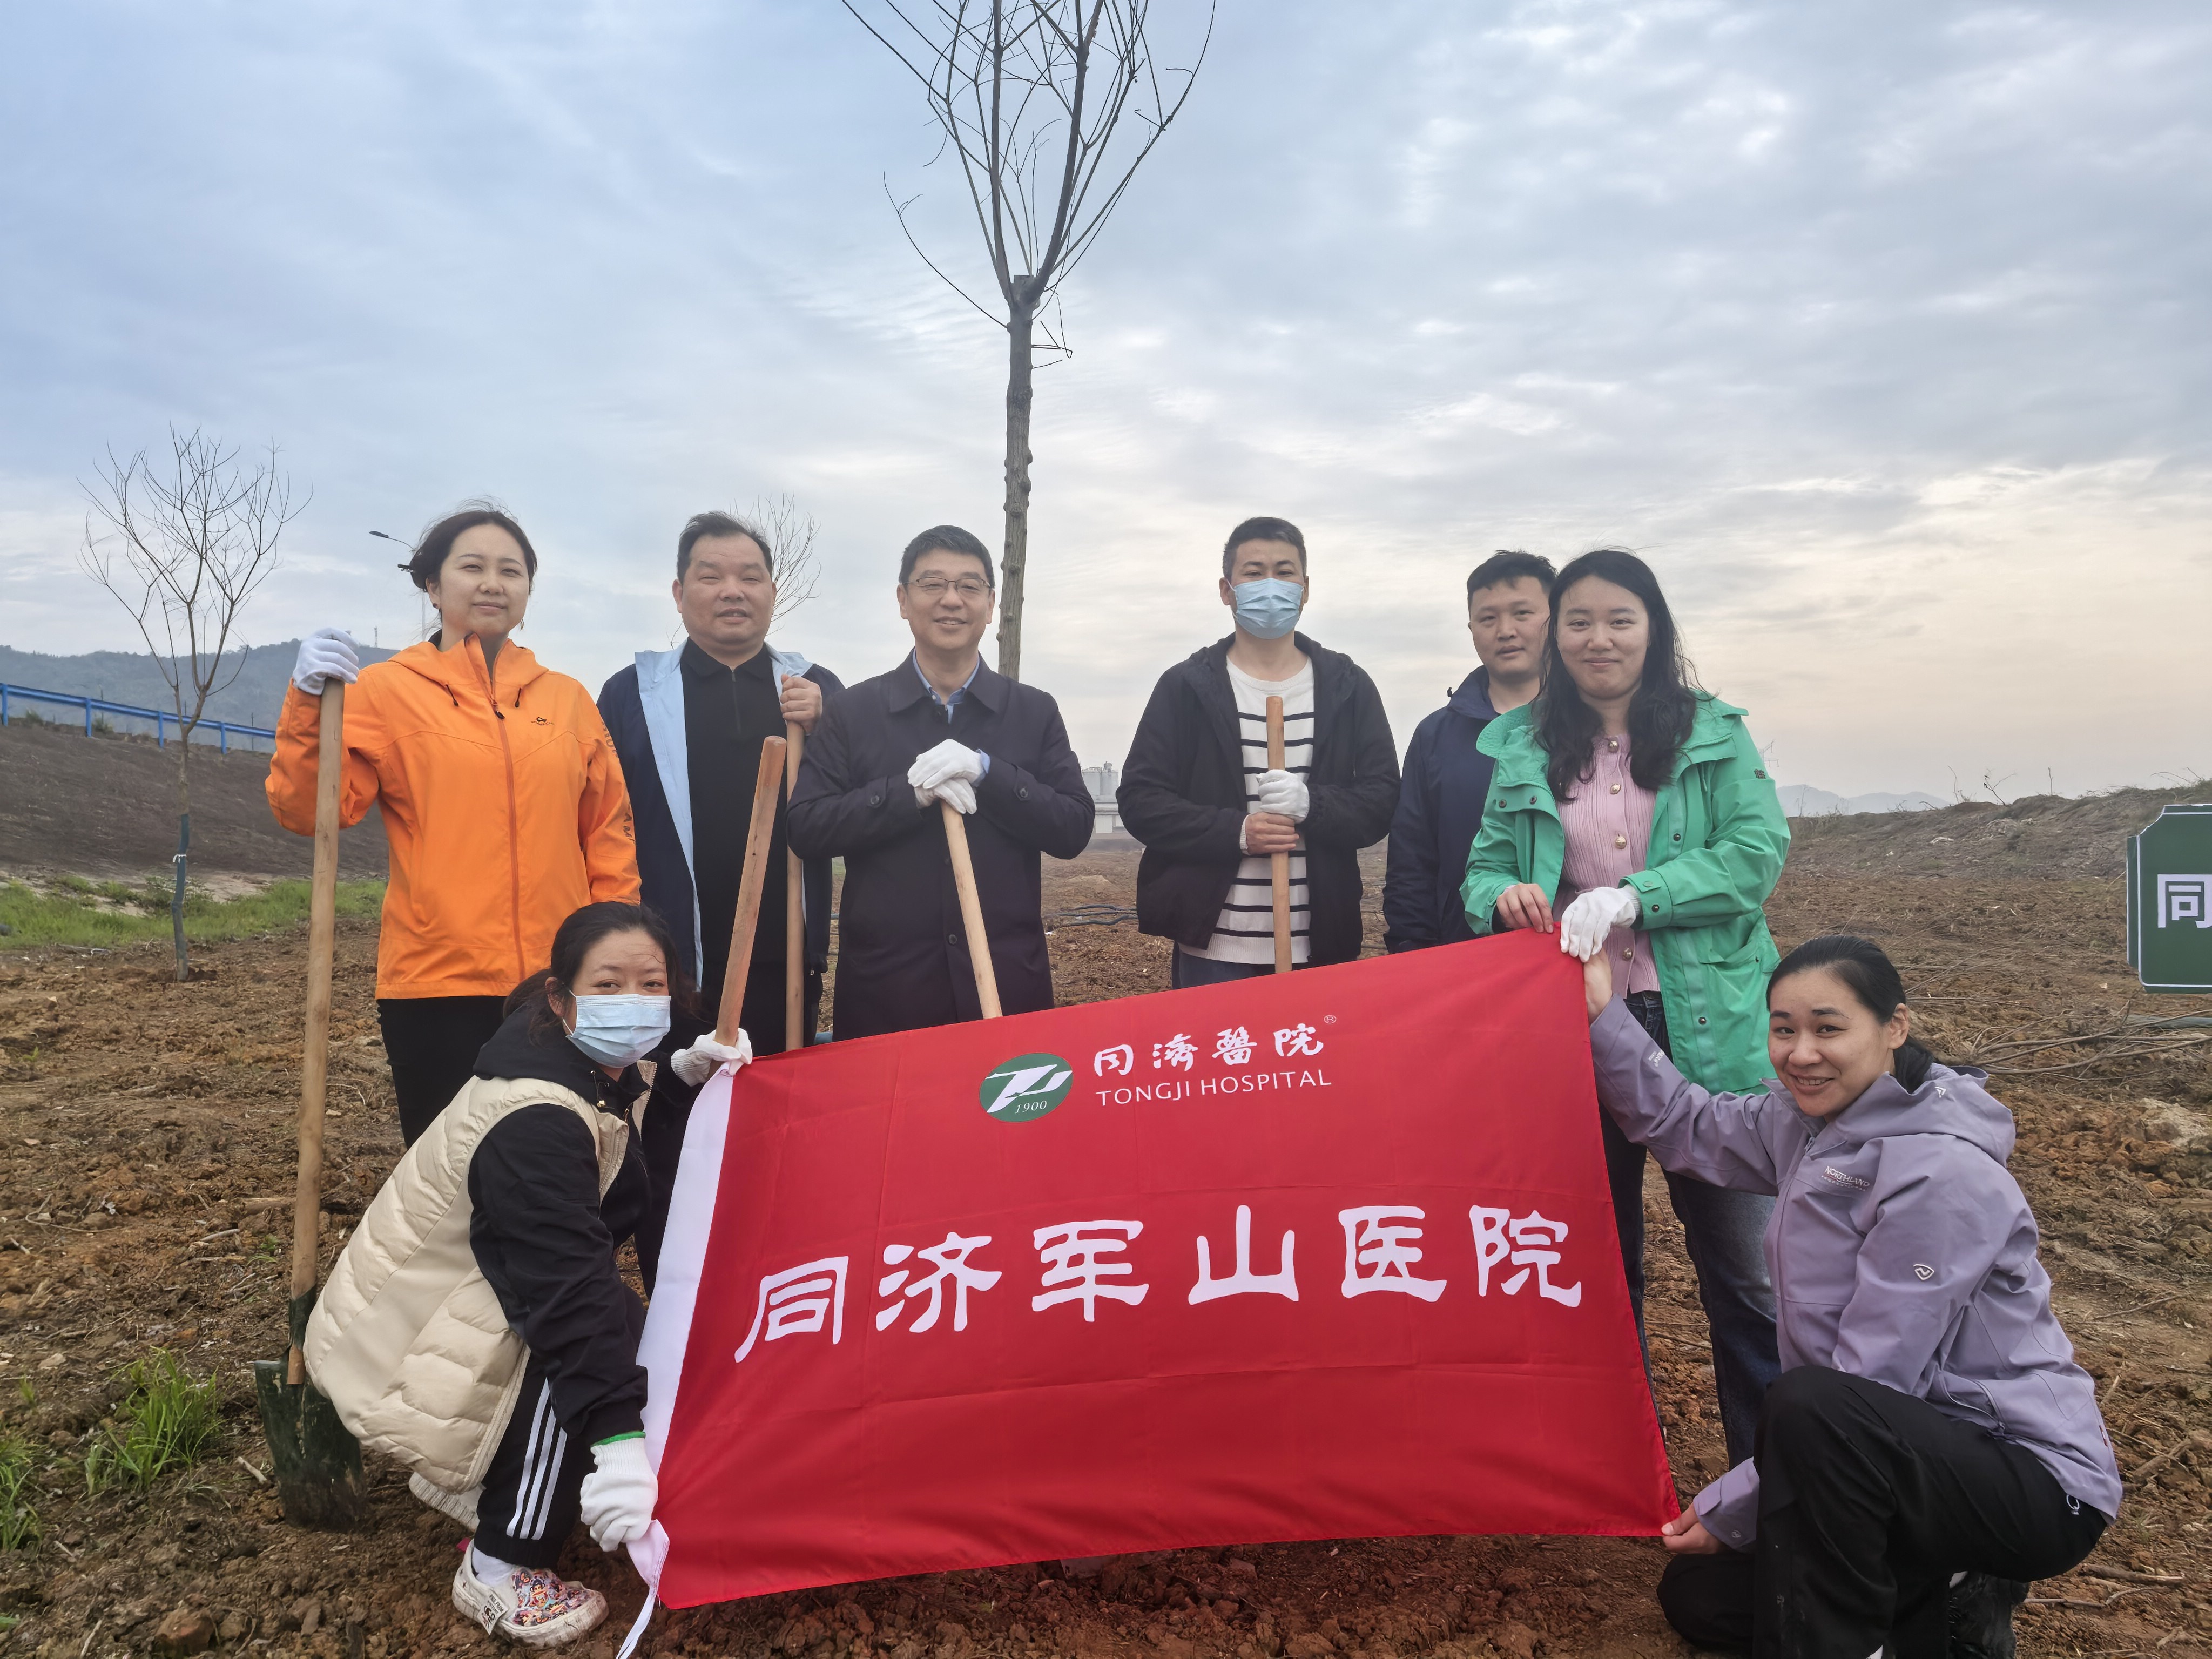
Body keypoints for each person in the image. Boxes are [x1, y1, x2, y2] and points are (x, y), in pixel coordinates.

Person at [1580, 935, 2120, 1659]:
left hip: (2023, 1479)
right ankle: (1950, 1596)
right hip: (1883, 1455)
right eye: (1784, 1029)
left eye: (1828, 1029)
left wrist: (1733, 1508)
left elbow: (1870, 1384)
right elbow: (1686, 1125)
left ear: (1894, 1027)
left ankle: (1888, 1621)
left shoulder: (1940, 1174)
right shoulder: (1804, 1126)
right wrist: (1603, 1013)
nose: (1801, 1053)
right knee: (1701, 1596)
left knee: (1811, 1404)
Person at [303, 902, 748, 1647]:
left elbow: (621, 1154)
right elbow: (565, 1301)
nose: (633, 1001)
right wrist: (616, 1445)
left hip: (451, 1304)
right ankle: (502, 1561)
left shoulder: (571, 1064)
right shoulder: (534, 1117)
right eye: (608, 984)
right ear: (560, 996)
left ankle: (482, 1472)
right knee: (573, 1363)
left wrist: (676, 1083)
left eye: (651, 984)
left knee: (626, 1339)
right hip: (405, 1340)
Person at [1460, 547, 1785, 1467]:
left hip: (1709, 1028)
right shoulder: (1524, 746)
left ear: (1654, 629)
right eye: (1579, 621)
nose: (1597, 639)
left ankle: (1773, 1483)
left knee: (1748, 1274)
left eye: (1619, 620)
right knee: (1598, 1263)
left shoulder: (1713, 734)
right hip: (1582, 1027)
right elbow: (1485, 865)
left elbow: (1755, 852)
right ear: (1556, 637)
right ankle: (1621, 1473)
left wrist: (1636, 897)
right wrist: (1503, 898)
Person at [268, 504, 639, 1145]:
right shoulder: (385, 691)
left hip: (558, 982)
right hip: (436, 981)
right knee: (447, 1166)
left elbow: (608, 834)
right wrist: (307, 704)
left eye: (511, 571)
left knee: (561, 1155)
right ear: (433, 586)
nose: (493, 583)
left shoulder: (568, 700)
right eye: (472, 567)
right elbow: (311, 812)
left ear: (528, 590)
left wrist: (614, 958)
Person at [596, 511, 843, 1285]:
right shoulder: (633, 694)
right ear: (679, 593)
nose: (732, 591)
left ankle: (780, 1284)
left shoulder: (812, 688)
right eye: (711, 576)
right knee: (672, 1132)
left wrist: (827, 728)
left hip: (785, 960)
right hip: (669, 969)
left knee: (779, 1131)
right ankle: (676, 1288)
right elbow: (602, 819)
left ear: (772, 591)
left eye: (750, 577)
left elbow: (851, 801)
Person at [786, 525, 1092, 1038]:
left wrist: (989, 773)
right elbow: (807, 827)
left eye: (970, 586)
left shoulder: (1033, 712)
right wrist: (908, 795)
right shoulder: (853, 713)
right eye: (932, 584)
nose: (952, 600)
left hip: (1006, 988)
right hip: (888, 997)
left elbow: (1074, 827)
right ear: (903, 600)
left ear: (991, 605)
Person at [1116, 516, 1398, 983]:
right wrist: (1238, 831)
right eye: (1253, 573)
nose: (1271, 586)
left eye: (1285, 572)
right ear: (1227, 590)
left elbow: (1381, 799)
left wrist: (1312, 805)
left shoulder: (1348, 686)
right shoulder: (1186, 687)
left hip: (1319, 947)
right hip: (1214, 948)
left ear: (1305, 589)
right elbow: (1141, 801)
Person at [1382, 549, 1554, 953]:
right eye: (1488, 619)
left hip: (1579, 956)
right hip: (1465, 953)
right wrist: (1412, 952)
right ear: (1472, 628)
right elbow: (1412, 861)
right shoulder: (1435, 736)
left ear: (1558, 618)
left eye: (1523, 614)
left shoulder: (1598, 727)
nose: (1505, 631)